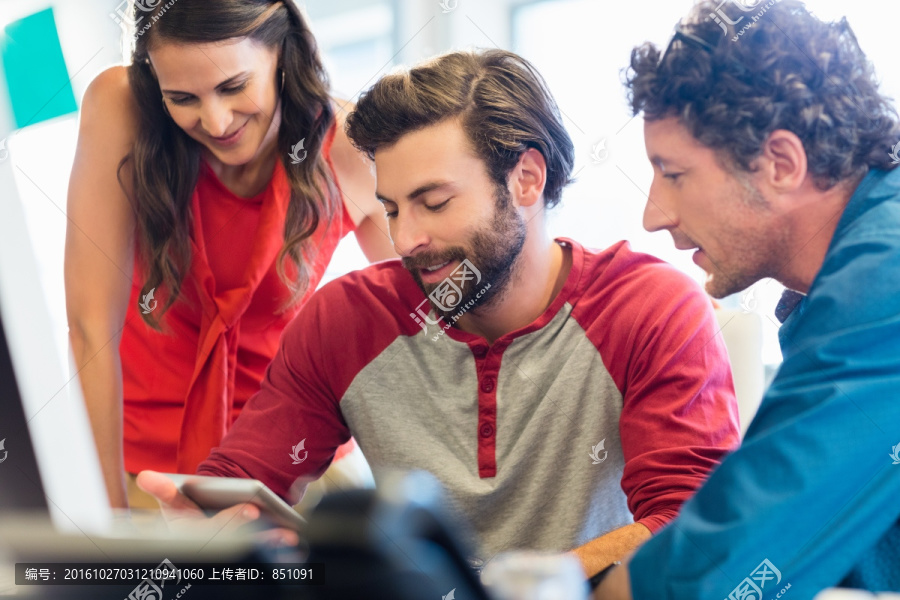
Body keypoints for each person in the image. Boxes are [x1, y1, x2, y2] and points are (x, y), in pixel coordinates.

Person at [138, 48, 740, 574]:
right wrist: (210, 523)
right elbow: (246, 481)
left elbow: (694, 524)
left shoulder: (650, 309)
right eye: (394, 209)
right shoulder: (344, 322)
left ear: (527, 179)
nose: (406, 240)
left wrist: (517, 587)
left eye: (433, 202)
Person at [594, 1, 900, 598]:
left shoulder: (885, 275)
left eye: (673, 173)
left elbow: (735, 560)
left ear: (780, 163)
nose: (654, 215)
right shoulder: (845, 275)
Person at [65, 0, 395, 509]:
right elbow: (91, 327)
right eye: (183, 97)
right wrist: (106, 514)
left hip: (299, 473)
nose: (216, 122)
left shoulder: (349, 146)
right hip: (151, 473)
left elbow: (422, 333)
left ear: (281, 55)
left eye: (233, 86)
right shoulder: (121, 107)